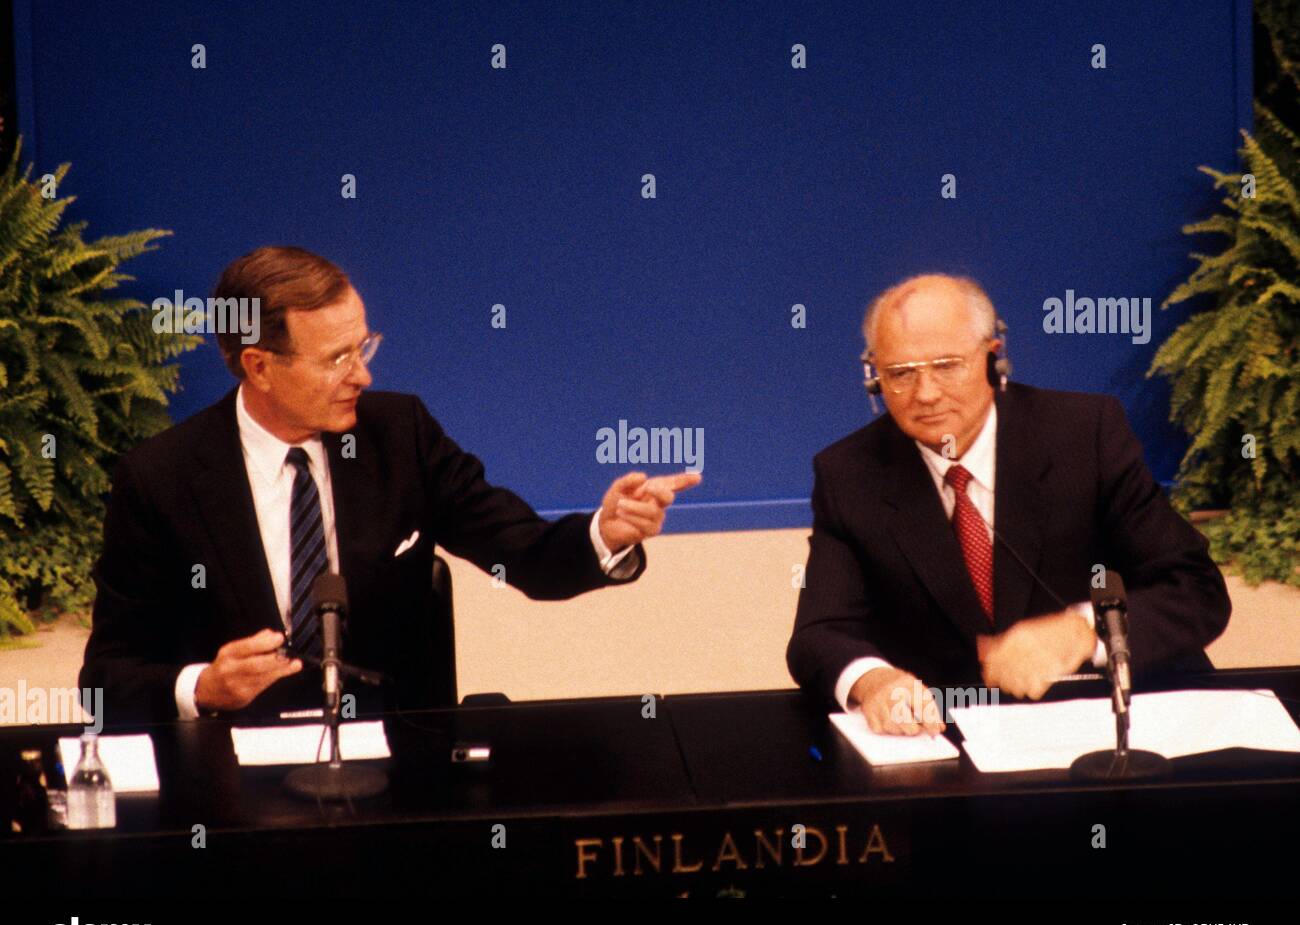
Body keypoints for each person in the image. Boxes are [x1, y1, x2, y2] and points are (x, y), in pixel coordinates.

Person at [81, 246, 699, 723]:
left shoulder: (400, 435)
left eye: (364, 346)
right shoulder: (160, 478)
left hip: (395, 761)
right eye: (337, 359)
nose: (365, 375)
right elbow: (105, 680)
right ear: (260, 367)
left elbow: (523, 553)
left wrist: (603, 535)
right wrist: (203, 687)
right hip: (235, 768)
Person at [786, 273, 1230, 734]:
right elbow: (819, 635)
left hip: (1103, 712)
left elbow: (1196, 590)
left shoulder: (1086, 436)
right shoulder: (850, 473)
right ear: (875, 380)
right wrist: (873, 681)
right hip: (949, 729)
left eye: (946, 365)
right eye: (900, 374)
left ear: (994, 359)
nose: (926, 393)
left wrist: (1081, 632)